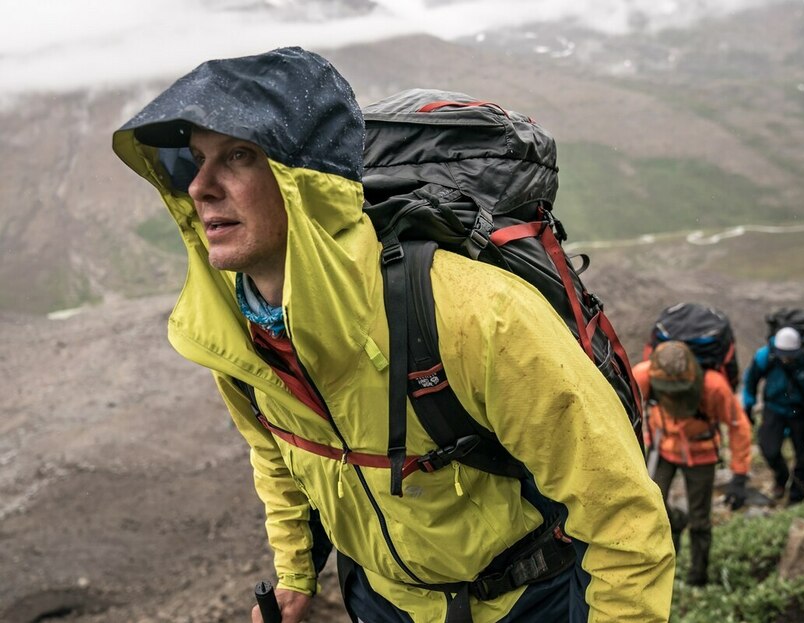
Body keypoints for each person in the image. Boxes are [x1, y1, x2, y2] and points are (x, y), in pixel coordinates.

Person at [112, 47, 673, 623]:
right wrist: (295, 575)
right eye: (193, 161)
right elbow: (277, 454)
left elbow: (622, 520)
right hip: (383, 602)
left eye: (237, 155)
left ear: (309, 180)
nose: (201, 187)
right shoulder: (236, 334)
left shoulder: (476, 313)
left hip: (528, 600)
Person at [633, 340, 751, 587]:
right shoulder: (644, 376)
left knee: (701, 521)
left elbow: (738, 425)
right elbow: (622, 406)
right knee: (655, 509)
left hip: (701, 453)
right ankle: (667, 561)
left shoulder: (714, 386)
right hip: (662, 446)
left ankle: (698, 579)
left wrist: (739, 475)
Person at [743, 326, 804, 505]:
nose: (786, 358)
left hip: (802, 411)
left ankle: (796, 497)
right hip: (774, 409)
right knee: (769, 449)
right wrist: (748, 405)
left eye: (791, 354)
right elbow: (751, 379)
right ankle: (781, 476)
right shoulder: (765, 356)